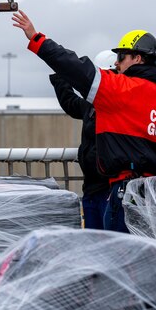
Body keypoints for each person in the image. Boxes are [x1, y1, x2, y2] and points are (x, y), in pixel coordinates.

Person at [11, 10, 156, 232]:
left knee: (114, 262)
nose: (117, 63)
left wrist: (37, 39)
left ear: (137, 58)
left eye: (121, 57)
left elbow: (75, 67)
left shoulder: (122, 89)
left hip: (127, 196)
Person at [48, 50, 117, 229]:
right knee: (95, 242)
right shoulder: (91, 104)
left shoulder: (118, 104)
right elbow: (71, 103)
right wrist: (61, 73)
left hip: (110, 188)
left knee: (110, 243)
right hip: (93, 187)